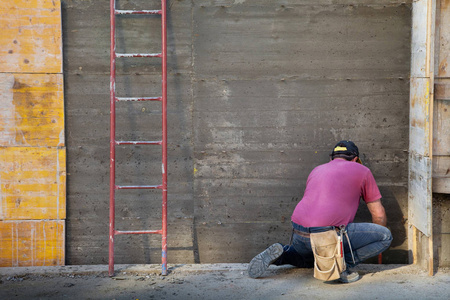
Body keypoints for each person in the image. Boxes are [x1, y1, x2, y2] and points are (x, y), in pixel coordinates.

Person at [247, 140, 392, 283]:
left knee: (314, 260)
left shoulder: (317, 170)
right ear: (355, 159)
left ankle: (283, 254)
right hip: (327, 235)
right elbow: (378, 215)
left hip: (299, 233)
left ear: (331, 158)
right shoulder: (363, 171)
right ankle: (340, 266)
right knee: (385, 237)